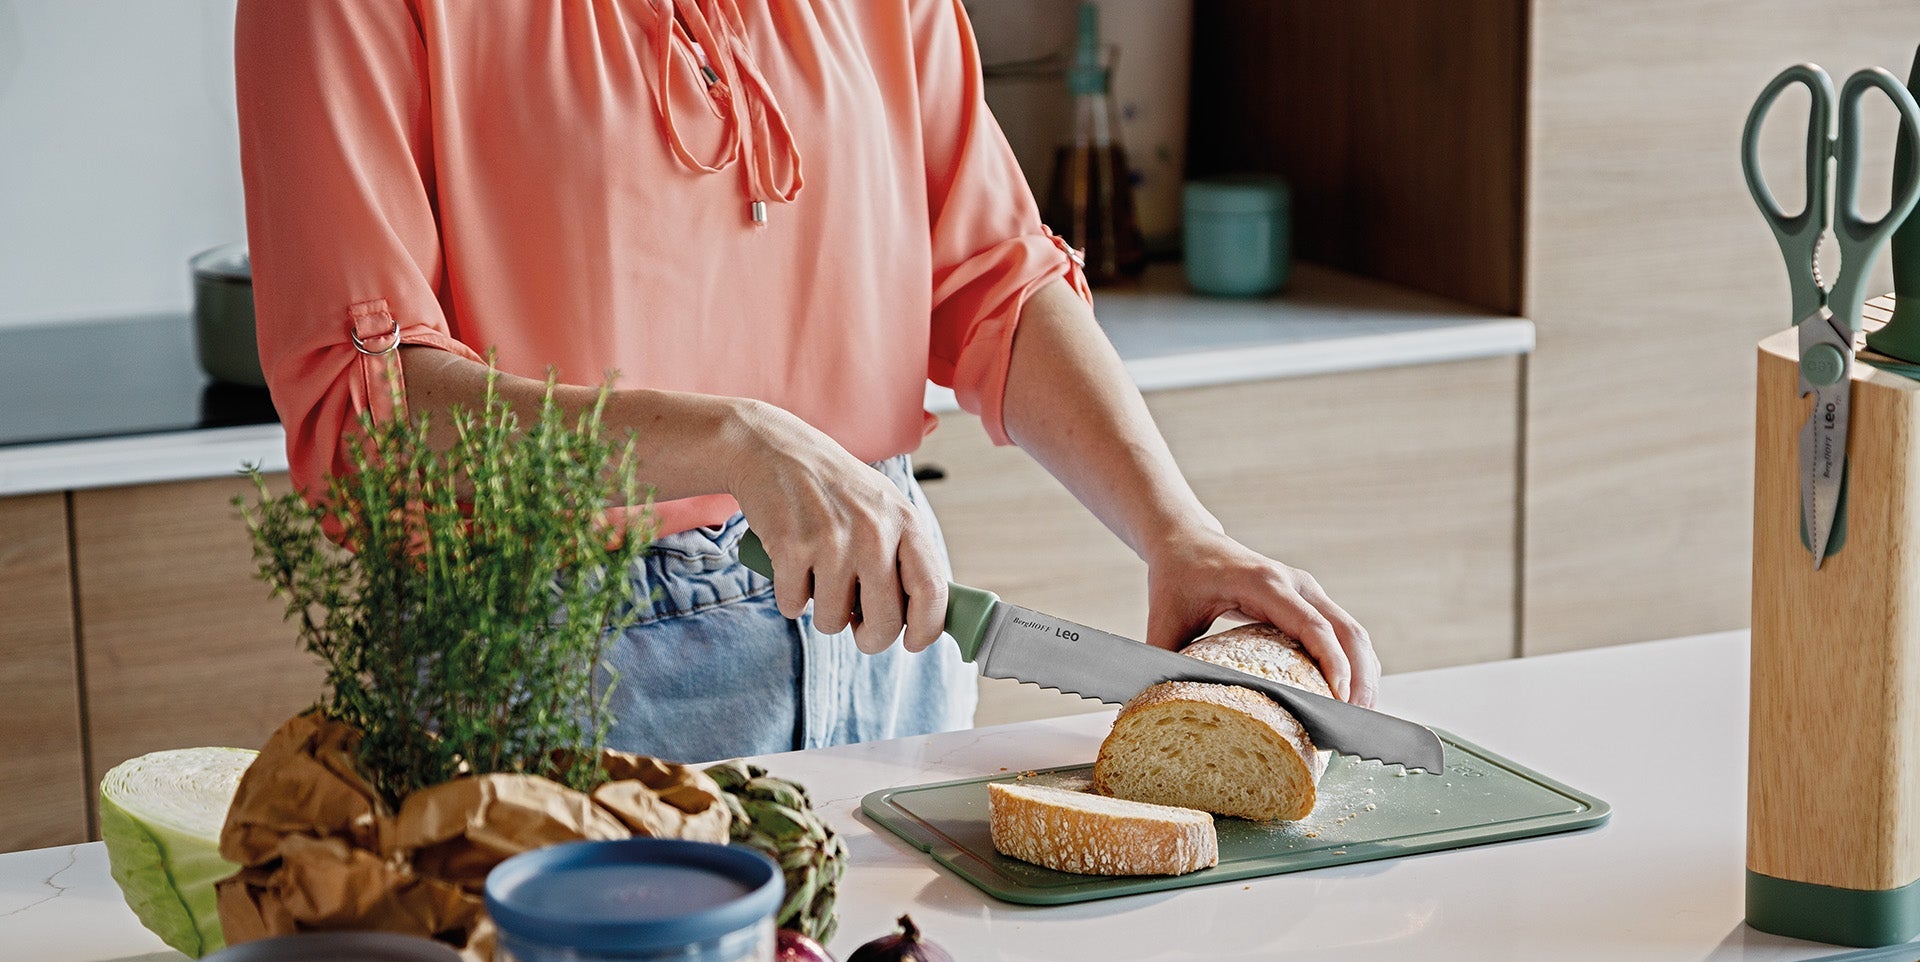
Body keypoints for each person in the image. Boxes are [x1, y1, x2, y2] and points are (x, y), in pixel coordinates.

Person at [234, 0, 1378, 763]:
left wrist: (1178, 531)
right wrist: (738, 441)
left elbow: (987, 277)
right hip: (553, 681)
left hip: (887, 636)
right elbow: (368, 410)